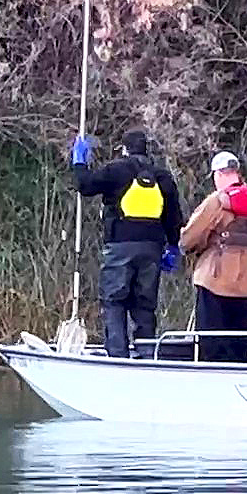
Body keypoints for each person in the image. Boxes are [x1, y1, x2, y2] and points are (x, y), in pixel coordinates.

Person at [70, 129, 186, 359]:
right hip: (152, 249)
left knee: (114, 300)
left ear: (124, 150)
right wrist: (173, 247)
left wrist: (79, 163)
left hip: (120, 246)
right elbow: (174, 217)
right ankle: (146, 352)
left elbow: (85, 186)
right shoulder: (162, 176)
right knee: (145, 303)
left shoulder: (117, 170)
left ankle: (117, 355)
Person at [177, 150, 247, 364]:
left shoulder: (217, 201)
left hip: (216, 279)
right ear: (236, 173)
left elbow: (189, 237)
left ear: (218, 175)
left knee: (212, 345)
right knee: (243, 346)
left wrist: (185, 247)